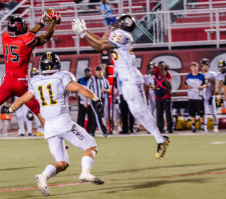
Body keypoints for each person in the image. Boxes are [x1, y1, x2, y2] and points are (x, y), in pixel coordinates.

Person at [1, 52, 104, 196]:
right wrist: (95, 98)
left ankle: (43, 176)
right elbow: (79, 88)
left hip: (49, 128)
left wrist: (10, 108)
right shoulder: (62, 76)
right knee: (91, 146)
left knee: (62, 163)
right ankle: (85, 173)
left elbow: (24, 98)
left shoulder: (36, 80)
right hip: (64, 123)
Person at [72, 14, 170, 158]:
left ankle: (161, 139)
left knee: (141, 111)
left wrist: (85, 31)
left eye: (119, 21)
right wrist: (83, 34)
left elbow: (101, 44)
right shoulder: (120, 34)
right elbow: (98, 46)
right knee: (136, 112)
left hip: (130, 78)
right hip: (126, 80)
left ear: (125, 23)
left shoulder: (121, 34)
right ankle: (160, 139)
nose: (116, 23)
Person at [0, 11, 61, 142]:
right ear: (20, 28)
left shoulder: (5, 36)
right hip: (22, 83)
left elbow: (27, 34)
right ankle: (55, 140)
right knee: (38, 111)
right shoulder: (26, 41)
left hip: (7, 81)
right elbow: (46, 37)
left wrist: (41, 23)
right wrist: (52, 22)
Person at [86, 66, 109, 136]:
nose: (99, 73)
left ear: (102, 72)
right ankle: (104, 131)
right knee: (97, 115)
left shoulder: (105, 80)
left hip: (102, 99)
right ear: (95, 72)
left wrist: (104, 90)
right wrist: (86, 101)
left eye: (100, 71)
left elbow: (109, 89)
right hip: (94, 99)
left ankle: (91, 131)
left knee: (99, 116)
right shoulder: (92, 80)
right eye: (97, 71)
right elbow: (87, 90)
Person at [185, 62, 206, 133]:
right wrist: (187, 86)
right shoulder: (188, 76)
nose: (194, 69)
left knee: (200, 113)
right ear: (191, 68)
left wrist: (201, 87)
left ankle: (202, 126)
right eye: (192, 67)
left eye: (195, 67)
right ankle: (193, 126)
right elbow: (185, 85)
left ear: (198, 68)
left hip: (199, 97)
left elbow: (206, 84)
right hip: (191, 97)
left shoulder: (201, 76)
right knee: (192, 113)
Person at [153, 61, 173, 134]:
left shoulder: (168, 74)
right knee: (159, 113)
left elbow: (168, 85)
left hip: (166, 96)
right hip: (158, 96)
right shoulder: (156, 73)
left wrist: (164, 76)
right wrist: (159, 67)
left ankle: (170, 128)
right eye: (160, 66)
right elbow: (151, 70)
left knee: (168, 113)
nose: (161, 68)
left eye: (163, 66)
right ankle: (160, 128)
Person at [201, 58, 218, 133]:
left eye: (207, 65)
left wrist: (212, 96)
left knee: (213, 112)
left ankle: (216, 126)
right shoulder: (200, 75)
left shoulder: (212, 74)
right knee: (204, 112)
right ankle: (204, 127)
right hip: (202, 96)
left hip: (210, 95)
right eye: (204, 65)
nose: (206, 66)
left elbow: (214, 85)